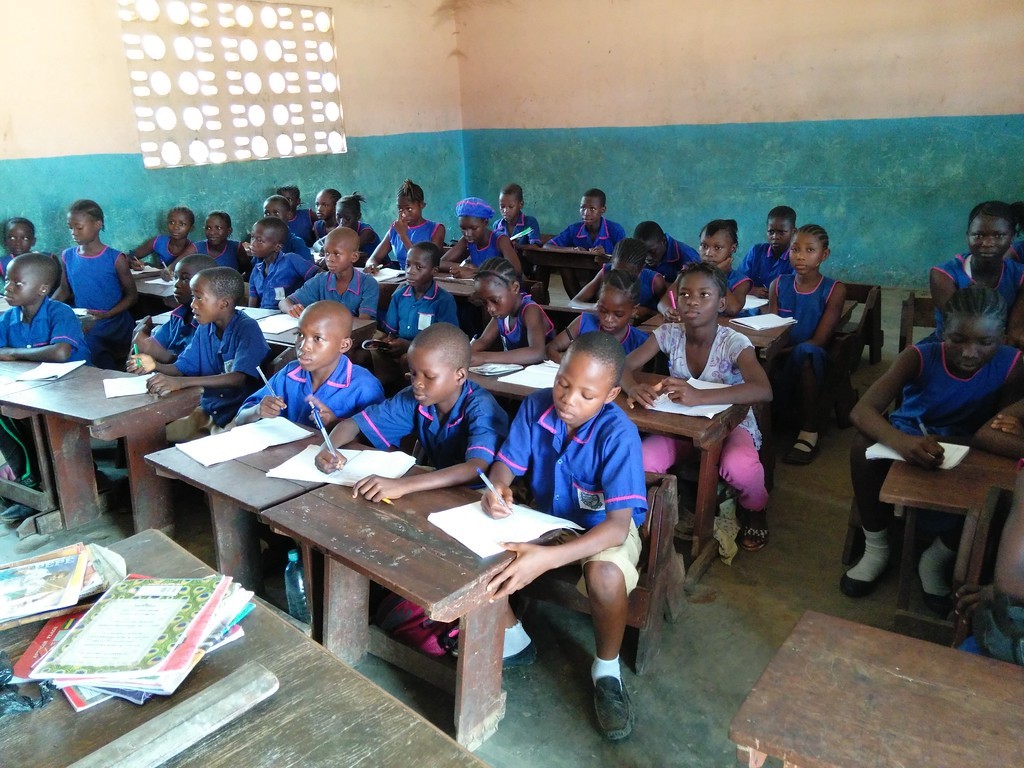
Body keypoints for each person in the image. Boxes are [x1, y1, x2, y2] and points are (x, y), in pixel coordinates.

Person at [481, 331, 648, 741]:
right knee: (482, 543)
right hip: (547, 520)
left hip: (601, 530)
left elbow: (616, 526)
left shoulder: (618, 433)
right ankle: (514, 638)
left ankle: (607, 671)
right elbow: (506, 466)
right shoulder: (536, 405)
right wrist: (497, 487)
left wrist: (545, 559)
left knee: (605, 576)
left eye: (586, 395)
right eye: (563, 382)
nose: (568, 400)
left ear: (609, 396)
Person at [841, 286, 1024, 610]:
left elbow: (998, 428)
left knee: (997, 479)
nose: (970, 352)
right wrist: (903, 442)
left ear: (1004, 337)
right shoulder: (919, 356)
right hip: (909, 439)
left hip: (966, 447)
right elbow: (862, 411)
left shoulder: (1012, 365)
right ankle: (877, 546)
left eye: (985, 343)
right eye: (958, 340)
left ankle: (936, 558)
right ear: (942, 331)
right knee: (863, 447)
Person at [623, 262, 773, 551]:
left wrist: (699, 396)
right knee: (642, 459)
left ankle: (755, 508)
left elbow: (762, 389)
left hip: (731, 425)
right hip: (682, 426)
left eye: (704, 295)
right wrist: (633, 386)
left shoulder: (733, 341)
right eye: (685, 294)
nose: (692, 301)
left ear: (721, 303)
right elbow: (623, 366)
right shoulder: (669, 334)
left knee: (739, 465)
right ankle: (646, 518)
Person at [313, 322, 508, 502]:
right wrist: (327, 449)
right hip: (434, 484)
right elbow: (353, 424)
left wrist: (402, 485)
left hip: (482, 494)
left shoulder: (481, 408)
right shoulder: (414, 398)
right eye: (413, 373)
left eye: (429, 376)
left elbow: (475, 468)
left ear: (460, 375)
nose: (417, 383)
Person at [0, 252, 93, 522]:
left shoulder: (59, 312)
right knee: (8, 417)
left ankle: (40, 481)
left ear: (42, 289)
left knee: (37, 424)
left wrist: (13, 354)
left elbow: (61, 352)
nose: (8, 288)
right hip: (31, 389)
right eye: (7, 281)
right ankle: (31, 477)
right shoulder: (9, 318)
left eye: (18, 283)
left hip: (72, 389)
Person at [128, 267, 269, 441]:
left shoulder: (247, 328)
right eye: (193, 297)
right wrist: (155, 365)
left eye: (199, 297)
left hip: (238, 416)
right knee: (150, 438)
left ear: (223, 303)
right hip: (209, 409)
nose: (193, 304)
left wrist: (179, 383)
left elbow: (238, 378)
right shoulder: (205, 328)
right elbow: (182, 368)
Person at [769, 224, 847, 465]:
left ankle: (809, 431)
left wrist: (777, 352)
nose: (800, 256)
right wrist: (770, 352)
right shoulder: (778, 284)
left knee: (806, 353)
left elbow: (819, 341)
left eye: (810, 250)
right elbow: (771, 330)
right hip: (780, 355)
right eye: (795, 249)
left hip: (813, 361)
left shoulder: (834, 289)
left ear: (824, 255)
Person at [236, 301, 383, 427]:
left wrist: (335, 423)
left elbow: (378, 440)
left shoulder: (364, 386)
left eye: (317, 338)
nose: (303, 346)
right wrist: (257, 411)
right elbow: (241, 418)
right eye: (300, 334)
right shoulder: (289, 373)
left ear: (344, 345)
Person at [54, 199, 137, 370]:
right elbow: (64, 290)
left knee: (86, 344)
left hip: (113, 321)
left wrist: (107, 314)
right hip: (84, 319)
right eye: (70, 228)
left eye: (79, 227)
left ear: (98, 224)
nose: (73, 233)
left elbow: (132, 296)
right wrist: (46, 308)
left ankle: (103, 379)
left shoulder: (115, 258)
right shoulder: (67, 256)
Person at [931, 201, 1024, 342]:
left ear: (1012, 237)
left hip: (1000, 349)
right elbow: (960, 330)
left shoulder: (1020, 276)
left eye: (998, 235)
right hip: (950, 350)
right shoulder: (944, 275)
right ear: (967, 236)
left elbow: (1014, 333)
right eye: (978, 235)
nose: (987, 243)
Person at [375, 242, 458, 361]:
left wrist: (410, 346)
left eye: (419, 267)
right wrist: (389, 341)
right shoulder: (399, 296)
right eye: (407, 265)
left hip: (430, 354)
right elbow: (391, 332)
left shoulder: (443, 300)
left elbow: (447, 341)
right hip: (398, 350)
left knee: (406, 358)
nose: (410, 271)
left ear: (434, 271)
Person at [130, 254, 217, 365]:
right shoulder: (178, 315)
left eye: (185, 279)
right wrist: (144, 341)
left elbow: (197, 367)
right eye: (176, 277)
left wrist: (166, 356)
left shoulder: (211, 325)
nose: (176, 284)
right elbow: (155, 344)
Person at [547, 269, 649, 361]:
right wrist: (567, 364)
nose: (608, 319)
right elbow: (552, 347)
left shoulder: (639, 341)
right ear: (598, 304)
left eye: (618, 315)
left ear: (634, 311)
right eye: (603, 311)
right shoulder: (584, 322)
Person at [658, 219, 752, 319]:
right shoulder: (688, 273)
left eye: (717, 248)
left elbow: (733, 309)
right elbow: (663, 302)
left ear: (732, 248)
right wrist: (667, 310)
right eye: (704, 246)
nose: (708, 253)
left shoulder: (741, 281)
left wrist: (716, 274)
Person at [281, 227, 378, 321]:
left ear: (354, 257)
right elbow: (284, 302)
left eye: (337, 254)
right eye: (327, 253)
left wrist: (327, 319)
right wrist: (292, 308)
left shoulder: (368, 284)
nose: (329, 259)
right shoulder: (320, 280)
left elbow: (364, 322)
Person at [470, 257, 554, 366]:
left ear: (515, 288)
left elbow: (537, 353)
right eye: (485, 303)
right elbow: (483, 341)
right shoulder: (501, 314)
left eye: (494, 301)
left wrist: (484, 357)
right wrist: (461, 355)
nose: (490, 308)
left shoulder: (530, 310)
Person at [573, 238, 666, 319]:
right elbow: (574, 303)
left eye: (627, 273)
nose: (620, 277)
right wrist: (595, 307)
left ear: (641, 268)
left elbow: (669, 311)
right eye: (616, 271)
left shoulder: (654, 281)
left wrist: (648, 312)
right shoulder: (606, 271)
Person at [367, 179, 446, 270]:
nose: (403, 214)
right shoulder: (395, 228)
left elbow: (425, 263)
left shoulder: (436, 229)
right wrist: (370, 265)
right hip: (401, 280)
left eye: (409, 209)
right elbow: (374, 258)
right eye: (400, 209)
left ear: (421, 205)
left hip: (425, 281)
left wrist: (403, 235)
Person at [440, 197, 522, 278]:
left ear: (485, 222)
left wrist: (477, 271)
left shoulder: (500, 240)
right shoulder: (467, 240)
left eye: (474, 228)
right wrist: (464, 267)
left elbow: (515, 270)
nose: (468, 233)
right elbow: (440, 263)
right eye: (463, 228)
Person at [247, 217, 317, 310]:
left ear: (277, 247)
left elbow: (321, 277)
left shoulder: (291, 260)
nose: (253, 244)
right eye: (252, 237)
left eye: (260, 240)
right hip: (265, 317)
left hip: (290, 315)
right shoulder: (257, 270)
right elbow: (252, 307)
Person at [738, 206, 797, 298]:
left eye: (781, 232)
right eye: (771, 231)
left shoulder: (797, 257)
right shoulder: (756, 251)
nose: (775, 236)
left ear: (793, 232)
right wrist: (752, 290)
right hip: (752, 305)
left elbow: (795, 290)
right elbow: (739, 280)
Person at [545, 188, 626, 255]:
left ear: (603, 210)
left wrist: (605, 256)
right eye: (583, 208)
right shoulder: (574, 229)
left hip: (606, 273)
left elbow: (624, 259)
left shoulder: (615, 230)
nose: (586, 213)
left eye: (592, 209)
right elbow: (547, 246)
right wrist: (573, 250)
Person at [128, 206, 197, 270]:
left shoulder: (194, 248)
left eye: (182, 224)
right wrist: (132, 263)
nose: (175, 227)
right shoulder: (159, 241)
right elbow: (129, 257)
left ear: (191, 228)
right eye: (172, 222)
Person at [633, 220, 699, 284]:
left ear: (664, 240)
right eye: (642, 252)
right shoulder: (634, 257)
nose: (648, 257)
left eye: (653, 251)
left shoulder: (689, 258)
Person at [259, 195, 312, 259]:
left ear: (289, 215)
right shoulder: (263, 243)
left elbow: (307, 266)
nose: (271, 217)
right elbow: (256, 266)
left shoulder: (296, 243)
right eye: (267, 213)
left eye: (276, 213)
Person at [3, 218, 39, 283]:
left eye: (25, 238)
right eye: (12, 238)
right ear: (5, 241)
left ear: (33, 241)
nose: (18, 243)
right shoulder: (3, 263)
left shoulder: (47, 259)